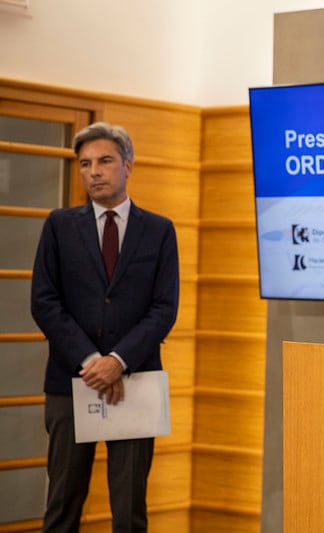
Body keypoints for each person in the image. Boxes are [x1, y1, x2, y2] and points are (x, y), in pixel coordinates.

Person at [31, 122, 179, 532]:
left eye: (104, 161)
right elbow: (44, 302)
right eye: (85, 164)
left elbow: (165, 308)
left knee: (130, 511)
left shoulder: (160, 230)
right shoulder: (59, 226)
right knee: (61, 505)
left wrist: (118, 360)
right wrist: (93, 361)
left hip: (137, 381)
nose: (93, 171)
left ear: (128, 165)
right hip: (71, 379)